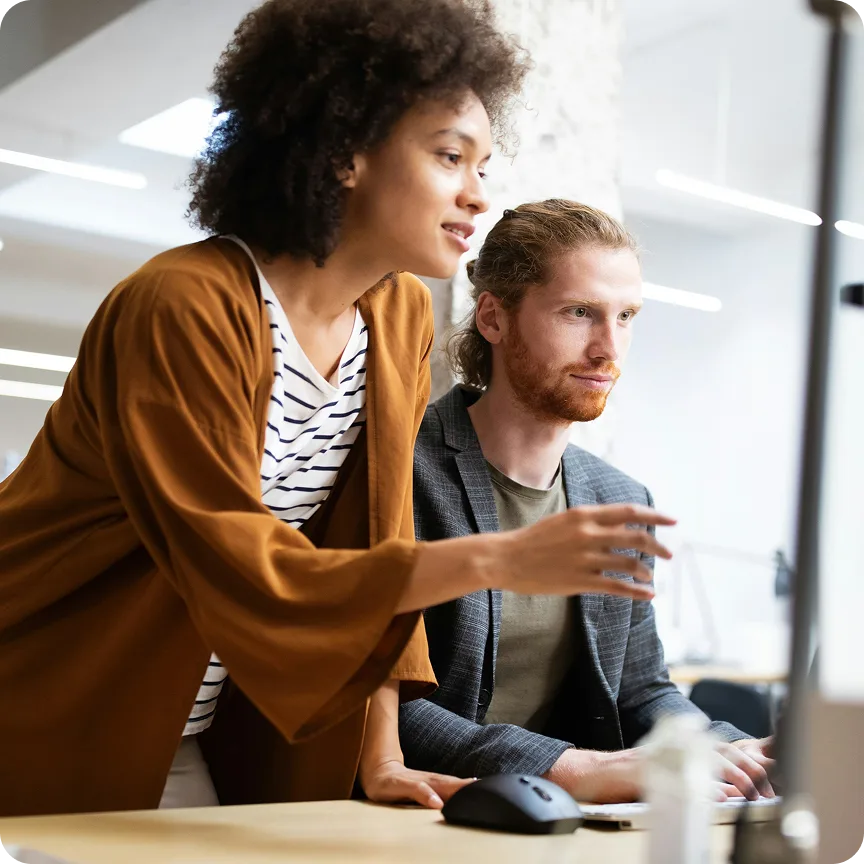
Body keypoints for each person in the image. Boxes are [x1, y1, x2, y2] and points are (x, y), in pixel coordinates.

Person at [0, 3, 675, 818]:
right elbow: (237, 562)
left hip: (190, 718)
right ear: (346, 151)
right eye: (448, 155)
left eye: (483, 163)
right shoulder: (182, 305)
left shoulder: (393, 316)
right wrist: (495, 559)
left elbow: (373, 538)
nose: (475, 195)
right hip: (49, 689)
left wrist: (382, 756)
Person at [400, 200, 775, 803]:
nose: (609, 348)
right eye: (580, 313)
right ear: (494, 318)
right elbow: (382, 708)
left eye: (625, 316)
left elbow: (642, 690)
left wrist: (724, 751)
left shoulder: (618, 497)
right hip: (423, 813)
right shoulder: (402, 470)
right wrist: (572, 768)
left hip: (552, 824)